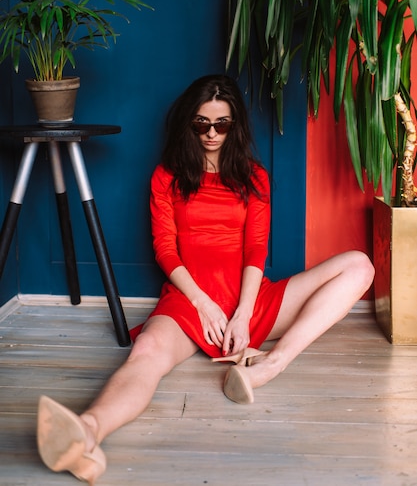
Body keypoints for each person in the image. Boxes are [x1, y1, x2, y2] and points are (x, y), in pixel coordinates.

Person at [36, 74, 374, 485]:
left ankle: (270, 365)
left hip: (250, 301)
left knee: (360, 265)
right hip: (191, 301)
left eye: (222, 124)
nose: (211, 133)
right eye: (201, 124)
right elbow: (165, 248)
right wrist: (203, 303)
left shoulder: (254, 178)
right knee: (146, 354)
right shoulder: (167, 176)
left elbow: (256, 251)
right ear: (188, 124)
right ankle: (88, 432)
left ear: (235, 125)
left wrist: (243, 314)